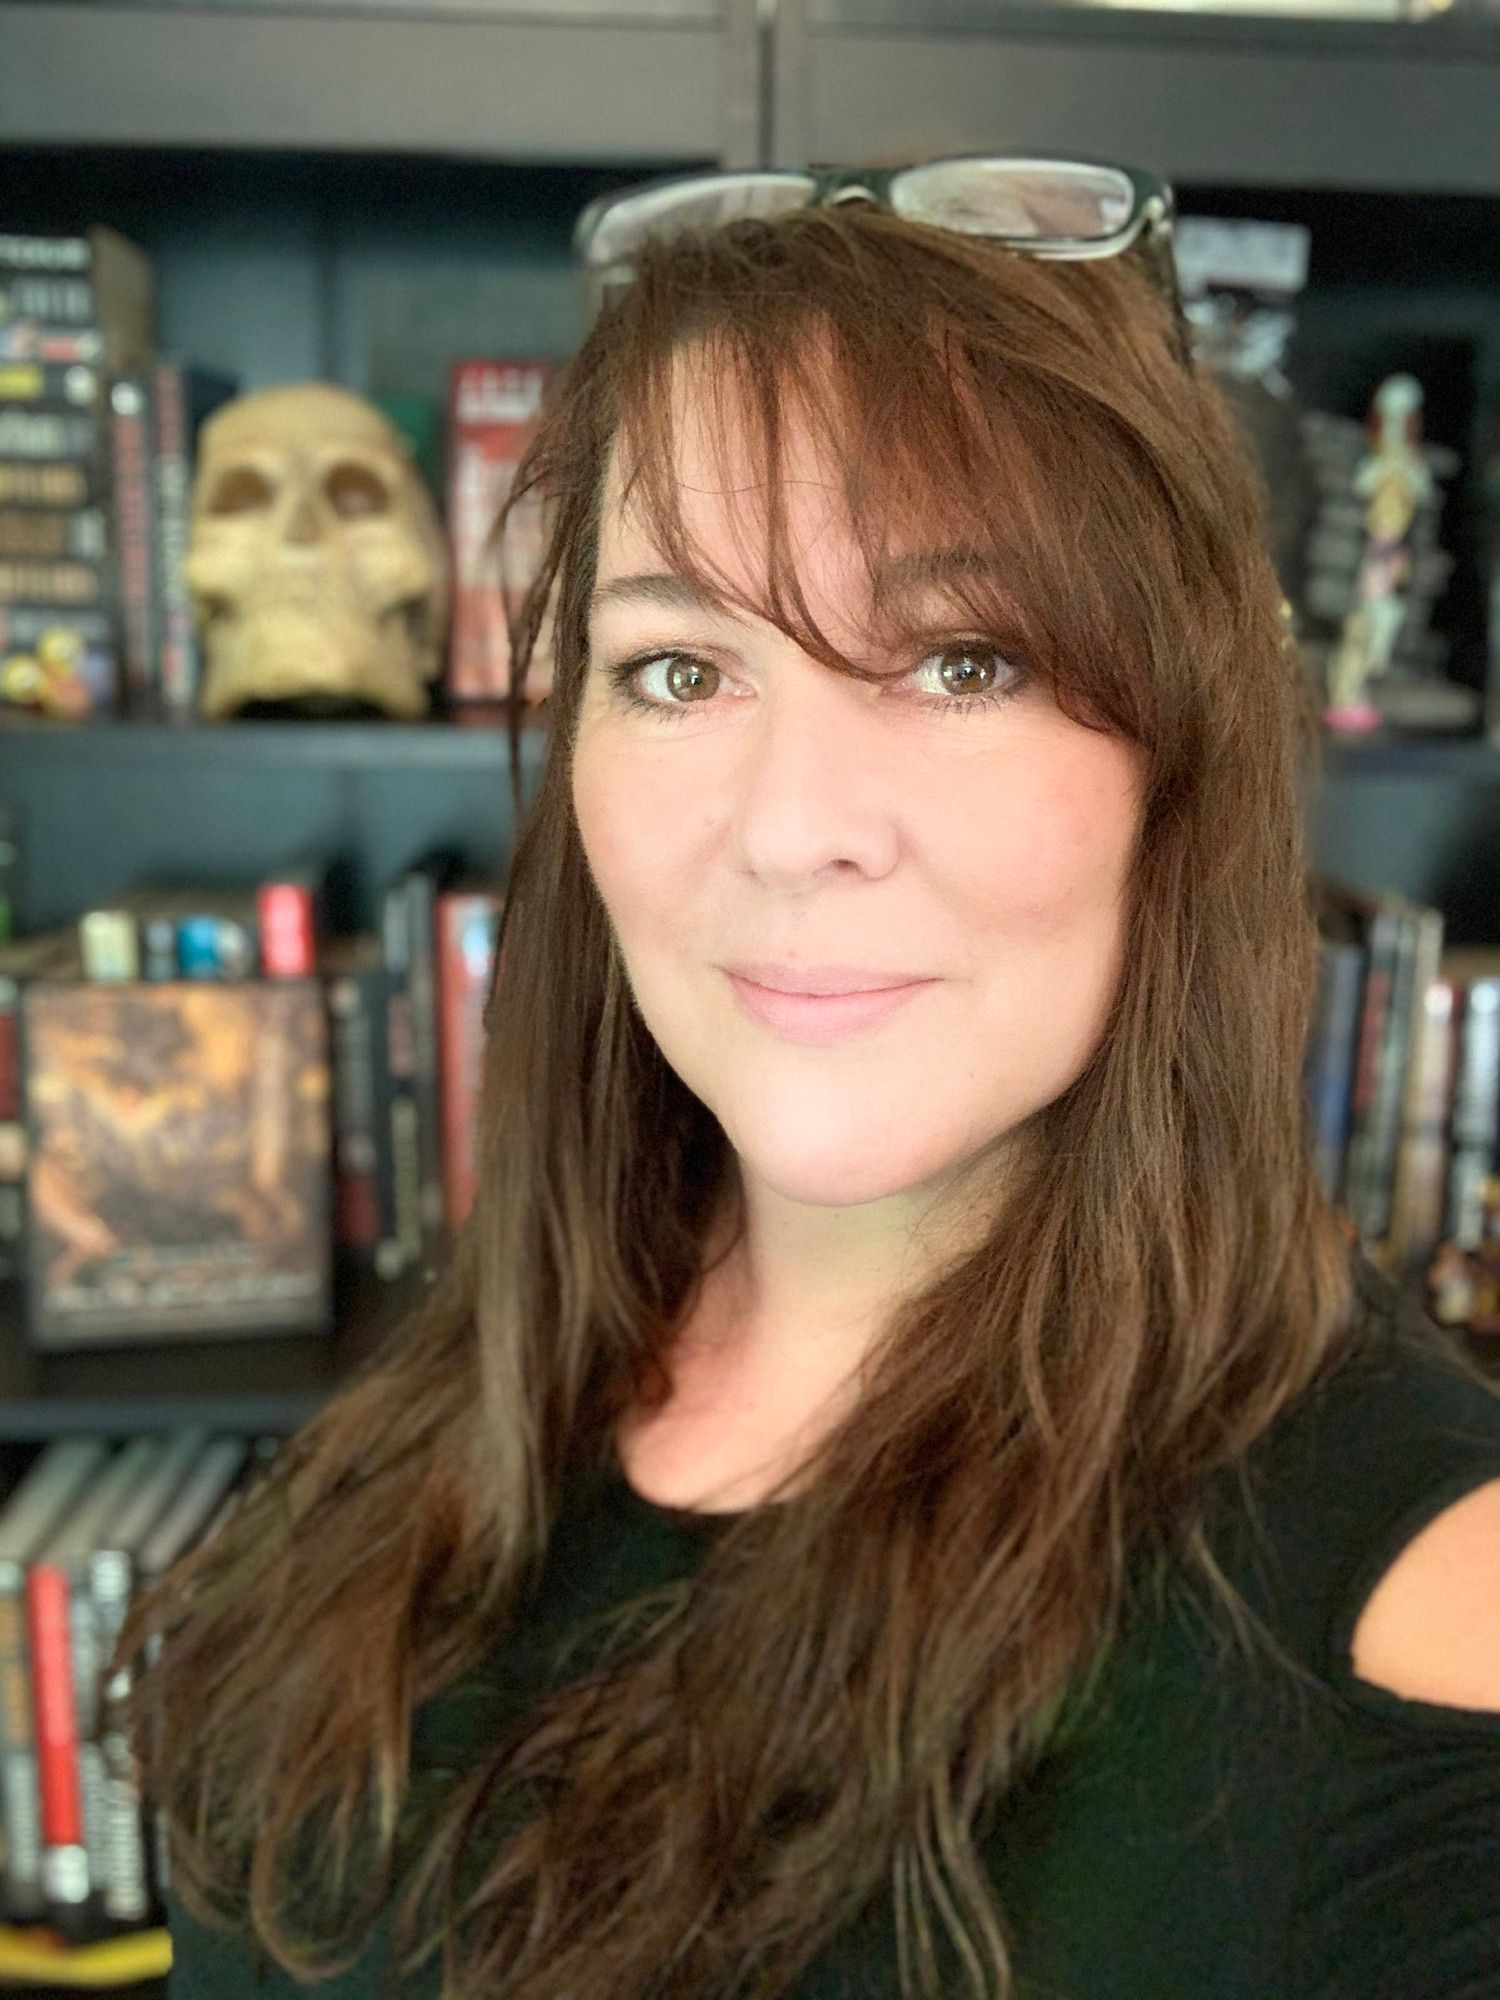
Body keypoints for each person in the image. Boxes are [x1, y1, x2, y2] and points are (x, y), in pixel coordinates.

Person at [133, 157, 1500, 2000]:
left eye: (961, 660)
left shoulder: (1430, 1607)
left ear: (1183, 766)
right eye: (682, 669)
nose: (793, 829)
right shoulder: (446, 1408)